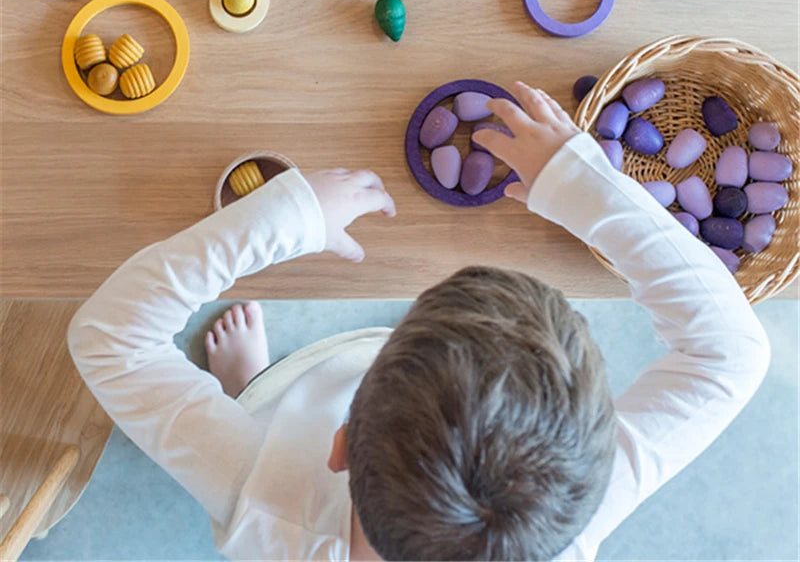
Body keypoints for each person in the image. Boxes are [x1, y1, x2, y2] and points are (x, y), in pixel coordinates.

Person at [68, 82, 771, 561]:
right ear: (593, 472)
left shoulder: (265, 504)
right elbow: (731, 354)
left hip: (275, 453)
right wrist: (580, 184)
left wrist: (285, 217)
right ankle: (255, 396)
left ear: (340, 447)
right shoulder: (567, 526)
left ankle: (256, 394)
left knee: (258, 431)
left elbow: (110, 339)